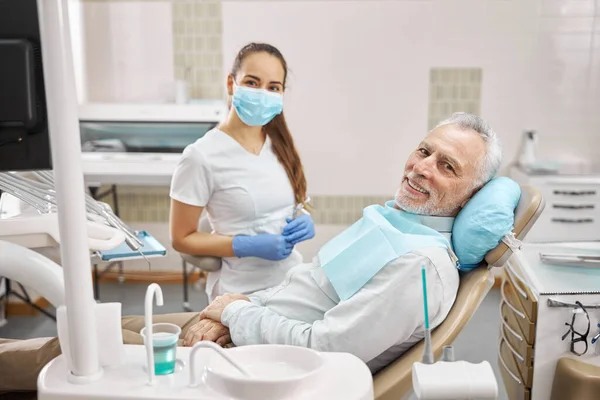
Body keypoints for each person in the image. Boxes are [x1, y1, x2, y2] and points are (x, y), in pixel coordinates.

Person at [0, 112, 502, 393]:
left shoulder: (421, 265)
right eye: (423, 150)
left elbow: (327, 347)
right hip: (246, 323)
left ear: (470, 195)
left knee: (72, 350)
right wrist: (236, 311)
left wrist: (233, 313)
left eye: (448, 166)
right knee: (99, 324)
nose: (422, 168)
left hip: (260, 362)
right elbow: (305, 293)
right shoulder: (393, 222)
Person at [169, 43, 315, 302]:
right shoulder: (200, 156)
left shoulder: (279, 143)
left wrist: (302, 216)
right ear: (230, 84)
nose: (262, 93)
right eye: (252, 82)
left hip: (292, 282)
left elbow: (291, 203)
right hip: (240, 294)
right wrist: (244, 245)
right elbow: (181, 239)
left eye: (273, 87)